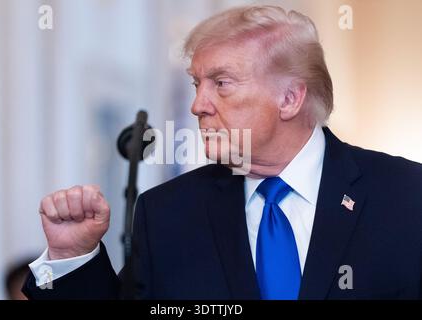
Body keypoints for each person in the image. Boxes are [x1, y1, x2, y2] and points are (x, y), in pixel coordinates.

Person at [23, 5, 422, 300]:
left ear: (289, 98)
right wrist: (70, 256)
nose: (198, 104)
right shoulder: (167, 214)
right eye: (197, 84)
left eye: (221, 83)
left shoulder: (406, 197)